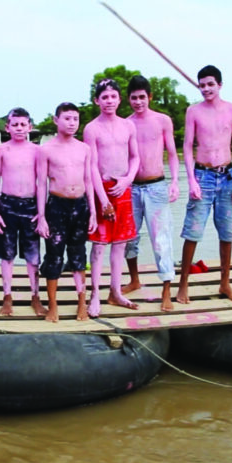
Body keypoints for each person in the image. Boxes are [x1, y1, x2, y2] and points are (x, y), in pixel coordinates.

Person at [177, 65, 232, 304]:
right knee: (193, 232)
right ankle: (183, 285)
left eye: (210, 84)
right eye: (202, 85)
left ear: (219, 85)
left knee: (227, 232)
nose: (206, 89)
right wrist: (191, 180)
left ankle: (225, 283)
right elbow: (187, 147)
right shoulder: (193, 111)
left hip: (227, 176)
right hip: (202, 176)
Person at [121, 75, 180, 311]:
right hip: (131, 187)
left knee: (161, 239)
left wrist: (175, 181)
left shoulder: (162, 121)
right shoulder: (125, 123)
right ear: (128, 99)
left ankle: (166, 289)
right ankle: (134, 279)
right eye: (134, 98)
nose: (138, 102)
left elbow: (173, 154)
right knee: (128, 237)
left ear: (150, 97)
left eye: (142, 97)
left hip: (156, 185)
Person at [83, 78, 140, 317]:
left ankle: (115, 291)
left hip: (123, 188)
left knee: (120, 244)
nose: (109, 101)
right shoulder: (91, 128)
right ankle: (95, 294)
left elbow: (135, 157)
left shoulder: (128, 126)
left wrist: (127, 179)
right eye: (104, 97)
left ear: (119, 99)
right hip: (101, 189)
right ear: (97, 101)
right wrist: (102, 199)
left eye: (113, 97)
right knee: (99, 245)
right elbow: (92, 166)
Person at [36, 102, 97, 322]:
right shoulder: (46, 149)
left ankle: (82, 303)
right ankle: (53, 305)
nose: (72, 123)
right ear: (56, 120)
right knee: (53, 256)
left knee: (79, 256)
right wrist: (41, 216)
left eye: (75, 119)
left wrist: (93, 213)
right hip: (56, 207)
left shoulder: (84, 148)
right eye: (67, 118)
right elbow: (41, 184)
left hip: (80, 206)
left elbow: (89, 180)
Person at [0, 107, 46, 317]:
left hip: (31, 206)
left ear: (30, 127)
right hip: (7, 206)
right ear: (7, 127)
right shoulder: (2, 151)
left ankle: (35, 296)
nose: (19, 128)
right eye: (15, 124)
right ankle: (7, 296)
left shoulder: (37, 151)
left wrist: (42, 214)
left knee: (33, 255)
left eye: (23, 124)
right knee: (7, 254)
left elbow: (42, 183)